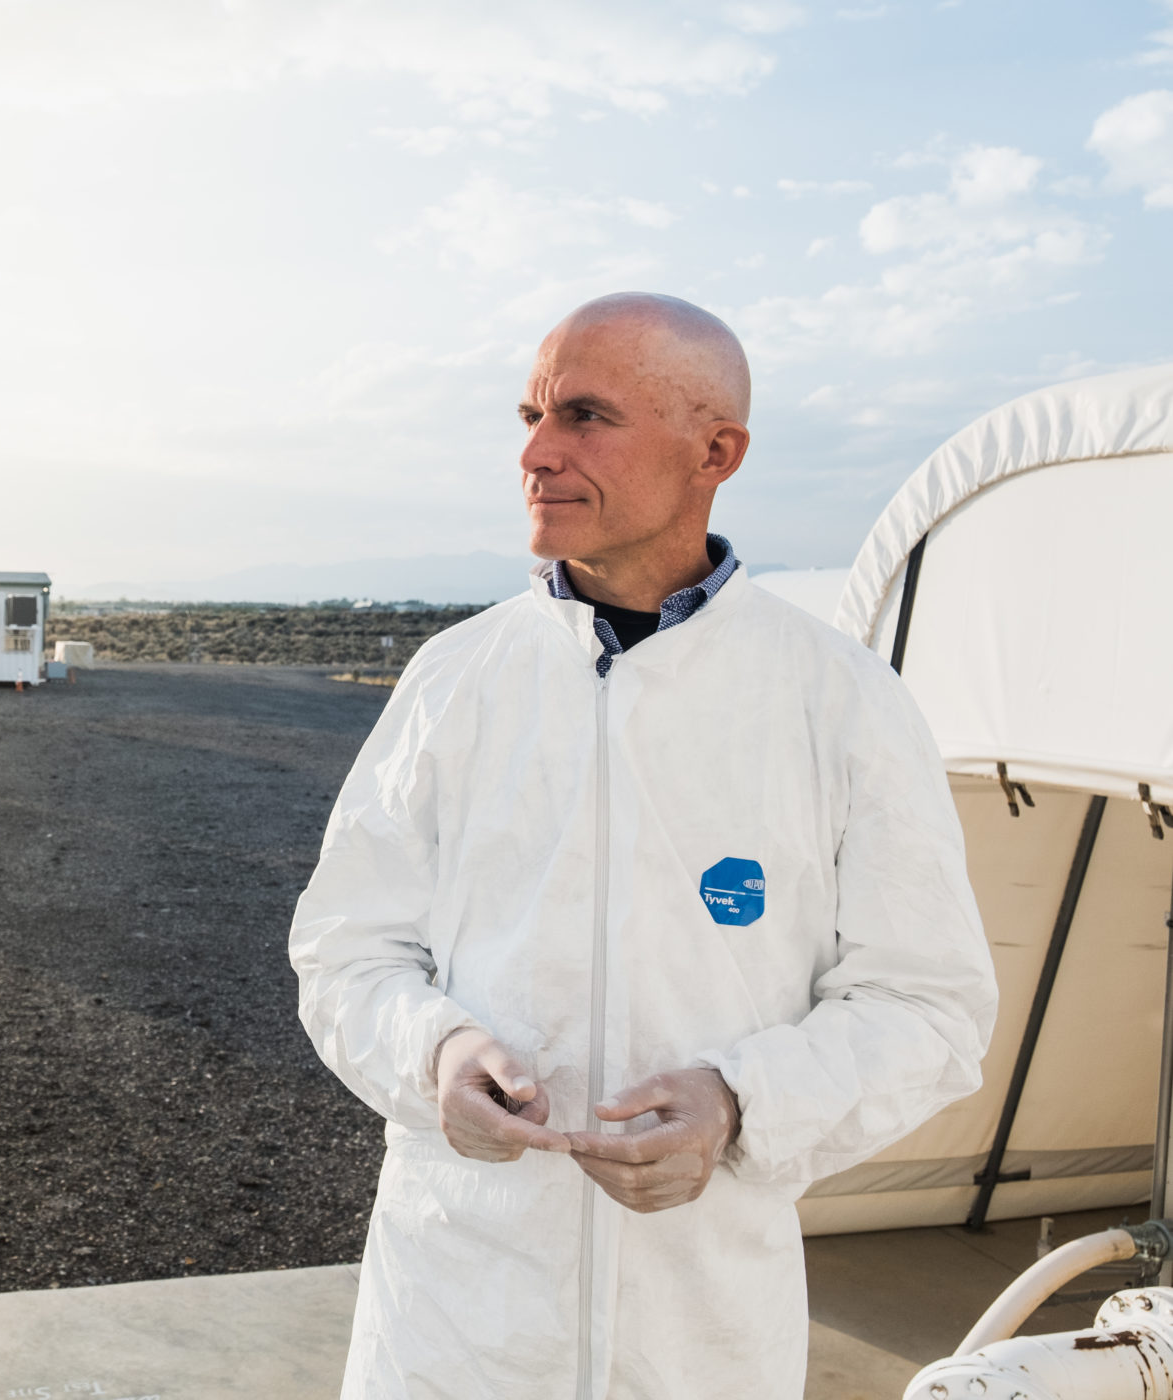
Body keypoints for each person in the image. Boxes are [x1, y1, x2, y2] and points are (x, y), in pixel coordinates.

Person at [289, 293, 998, 1399]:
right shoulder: (454, 681)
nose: (534, 452)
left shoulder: (842, 702)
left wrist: (742, 1102)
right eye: (530, 413)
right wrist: (434, 1055)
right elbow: (344, 952)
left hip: (700, 1337)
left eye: (583, 415)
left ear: (716, 450)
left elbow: (933, 1005)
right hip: (458, 1325)